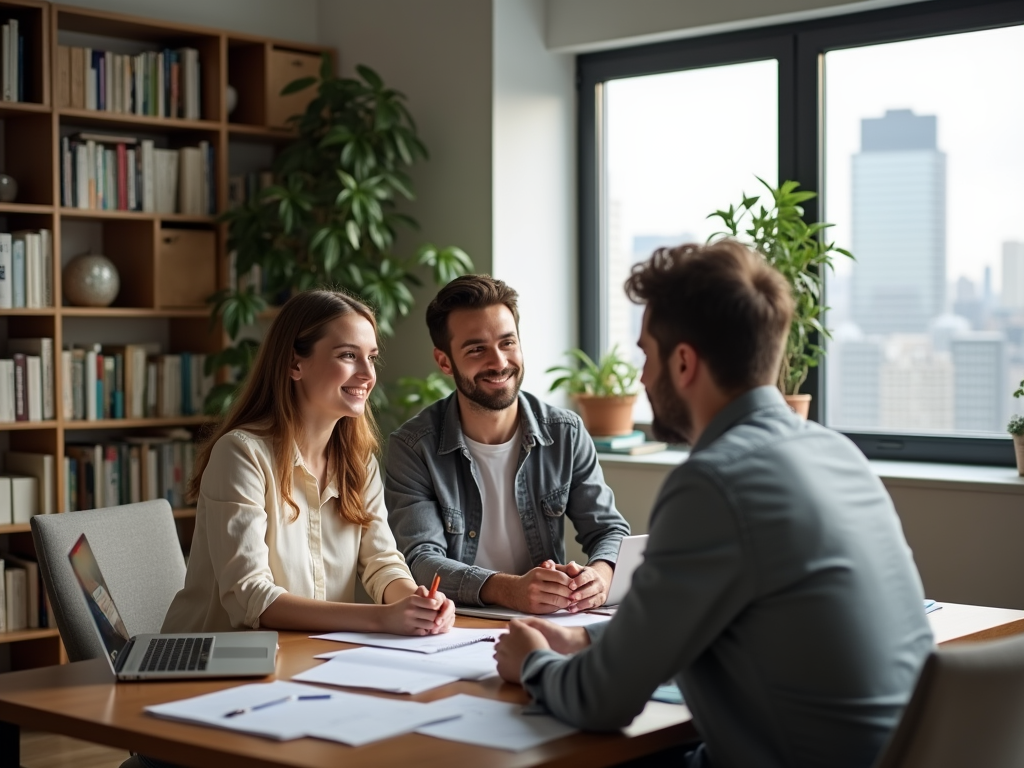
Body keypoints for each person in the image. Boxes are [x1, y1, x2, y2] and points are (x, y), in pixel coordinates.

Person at [493, 241, 934, 768]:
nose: (640, 377)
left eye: (646, 355)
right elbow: (706, 619)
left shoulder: (714, 484)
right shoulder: (838, 453)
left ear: (683, 363)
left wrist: (534, 662)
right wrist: (584, 639)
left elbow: (601, 702)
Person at [162, 289, 455, 637]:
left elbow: (381, 563)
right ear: (294, 364)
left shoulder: (359, 463)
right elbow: (251, 597)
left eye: (371, 357)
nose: (367, 374)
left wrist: (416, 603)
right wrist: (381, 618)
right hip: (214, 666)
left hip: (309, 657)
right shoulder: (241, 454)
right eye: (348, 355)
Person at [384, 275, 631, 614]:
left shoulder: (566, 432)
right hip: (456, 624)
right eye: (476, 349)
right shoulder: (413, 447)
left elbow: (610, 530)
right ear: (444, 362)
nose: (499, 362)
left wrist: (599, 579)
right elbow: (421, 561)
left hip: (549, 623)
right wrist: (509, 590)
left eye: (507, 343)